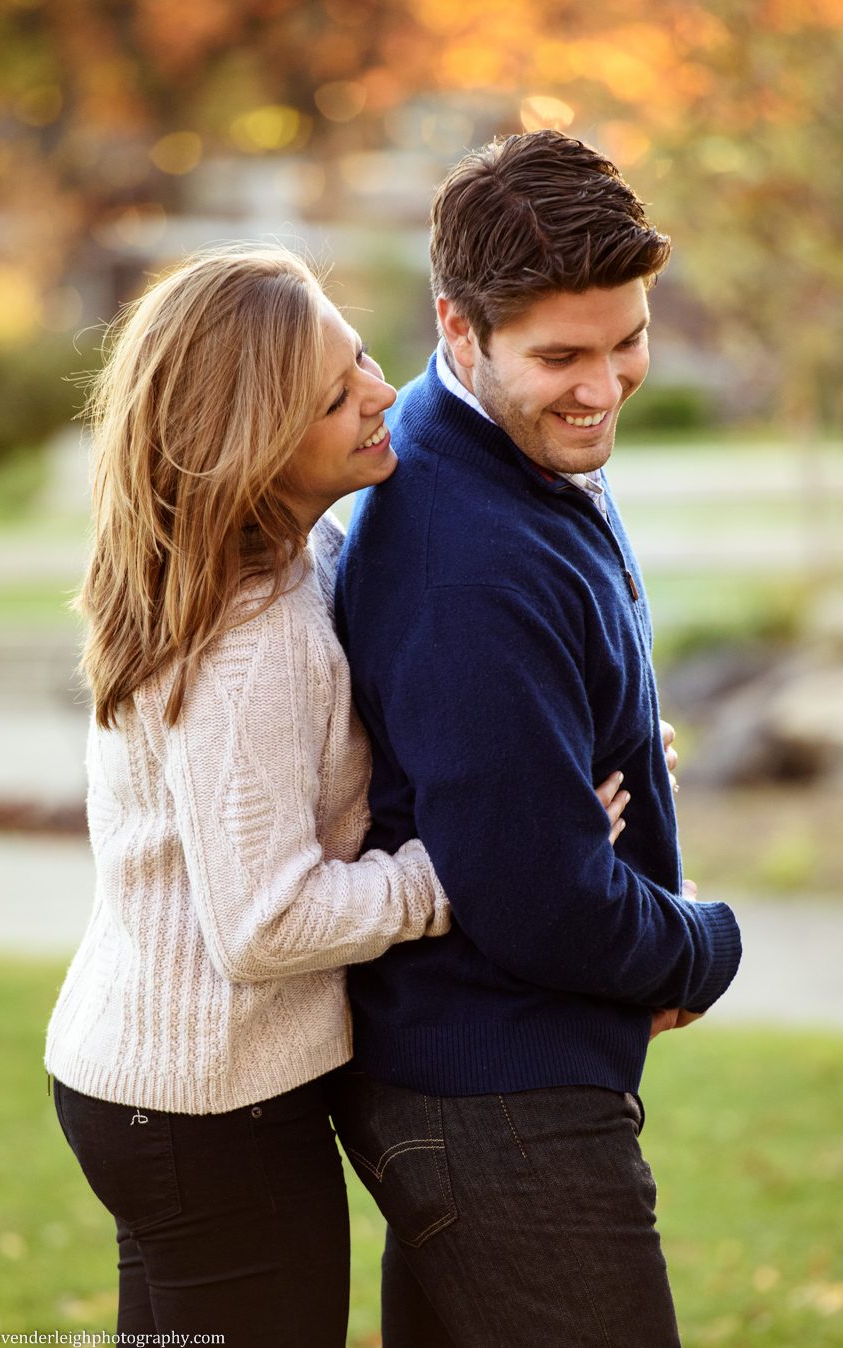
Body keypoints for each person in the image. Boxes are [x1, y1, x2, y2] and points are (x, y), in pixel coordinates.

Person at [43, 241, 633, 1343]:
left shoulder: (277, 554)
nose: (380, 394)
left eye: (359, 354)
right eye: (333, 398)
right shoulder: (248, 642)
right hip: (206, 1108)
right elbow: (265, 924)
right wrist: (478, 860)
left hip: (147, 1080)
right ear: (251, 445)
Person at [332, 130, 743, 1347]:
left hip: (491, 1078)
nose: (604, 387)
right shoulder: (469, 552)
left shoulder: (506, 451)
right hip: (497, 1096)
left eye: (628, 341)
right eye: (561, 355)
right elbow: (533, 898)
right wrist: (695, 948)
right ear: (458, 327)